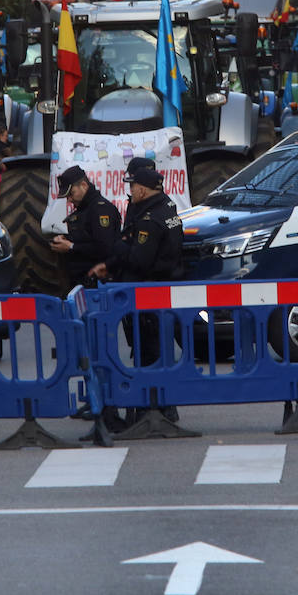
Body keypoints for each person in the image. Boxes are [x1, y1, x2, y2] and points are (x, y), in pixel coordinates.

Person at [88, 162, 184, 422]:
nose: (130, 189)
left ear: (141, 189)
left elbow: (139, 260)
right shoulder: (166, 207)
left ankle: (150, 408)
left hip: (147, 294)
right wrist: (110, 264)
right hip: (157, 292)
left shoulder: (150, 220)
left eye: (132, 185)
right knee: (155, 351)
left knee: (149, 353)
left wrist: (118, 250)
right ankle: (162, 406)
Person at [49, 165, 120, 289]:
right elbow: (85, 237)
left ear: (84, 185)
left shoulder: (100, 209)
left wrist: (71, 247)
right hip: (80, 281)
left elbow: (104, 248)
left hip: (96, 283)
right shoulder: (84, 210)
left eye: (71, 194)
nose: (69, 200)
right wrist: (66, 239)